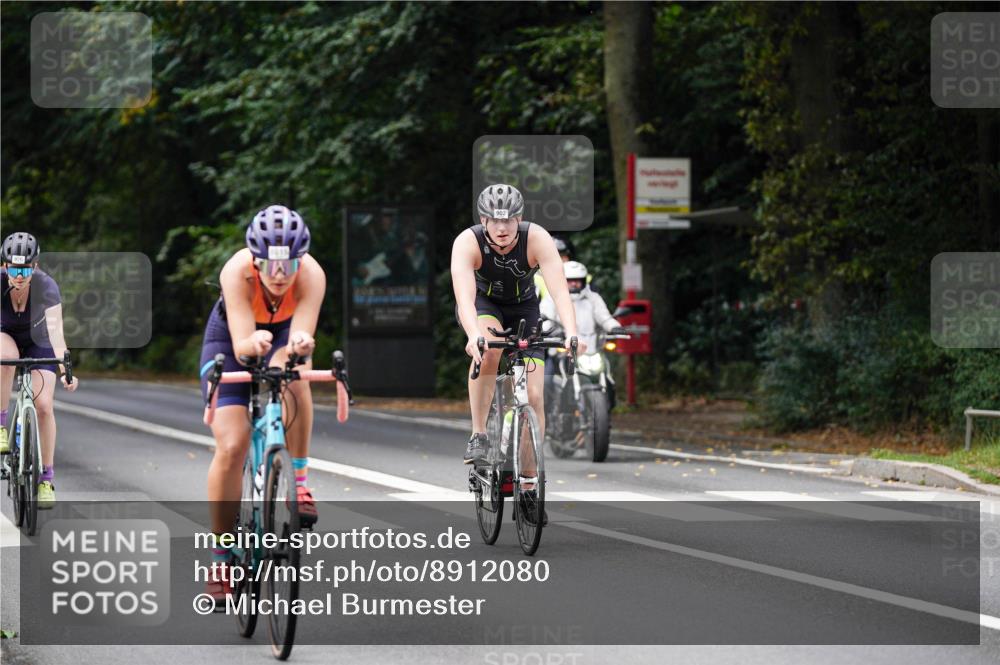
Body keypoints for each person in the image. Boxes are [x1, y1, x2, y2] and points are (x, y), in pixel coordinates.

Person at [198, 205, 325, 605]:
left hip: (283, 333)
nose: (279, 273)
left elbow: (301, 335)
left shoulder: (312, 275)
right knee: (232, 445)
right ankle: (220, 559)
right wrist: (252, 343)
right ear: (254, 257)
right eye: (269, 264)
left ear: (299, 257)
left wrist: (300, 345)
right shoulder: (235, 272)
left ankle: (299, 483)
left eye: (288, 262)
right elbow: (242, 344)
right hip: (230, 339)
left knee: (294, 376)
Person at [451, 184, 584, 469]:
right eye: (495, 220)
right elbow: (464, 299)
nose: (502, 228)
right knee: (488, 352)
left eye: (509, 220)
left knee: (534, 397)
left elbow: (560, 291)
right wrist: (474, 335)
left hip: (524, 308)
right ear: (483, 220)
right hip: (483, 306)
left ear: (519, 218)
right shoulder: (468, 242)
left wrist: (572, 331)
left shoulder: (536, 238)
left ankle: (529, 479)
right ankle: (479, 434)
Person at [0, 232, 79, 508]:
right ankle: (1, 425)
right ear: (5, 265)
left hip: (39, 341)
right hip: (5, 336)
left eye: (25, 269)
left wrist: (65, 367)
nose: (19, 275)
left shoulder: (46, 286)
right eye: (13, 267)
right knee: (5, 355)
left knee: (44, 405)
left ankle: (46, 478)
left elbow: (56, 334)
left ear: (34, 267)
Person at [540, 260, 622, 356]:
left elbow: (604, 317)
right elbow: (545, 318)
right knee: (547, 369)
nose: (574, 284)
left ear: (583, 281)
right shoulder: (552, 297)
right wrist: (548, 332)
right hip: (561, 350)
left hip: (592, 350)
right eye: (570, 281)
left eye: (577, 280)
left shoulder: (593, 297)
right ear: (562, 280)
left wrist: (614, 327)